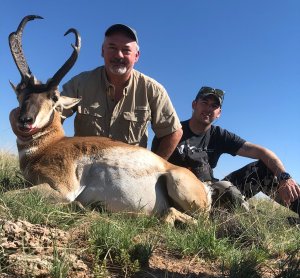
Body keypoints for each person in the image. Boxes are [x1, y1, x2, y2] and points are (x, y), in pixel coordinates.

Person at [152, 86, 300, 217]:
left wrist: (284, 177)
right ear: (194, 104)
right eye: (204, 103)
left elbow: (263, 152)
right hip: (180, 193)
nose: (209, 109)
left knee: (264, 170)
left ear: (219, 113)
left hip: (212, 191)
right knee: (228, 191)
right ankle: (255, 220)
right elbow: (154, 167)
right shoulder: (172, 132)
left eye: (214, 106)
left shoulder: (220, 135)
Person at [60, 24, 182, 160]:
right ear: (102, 51)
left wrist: (154, 167)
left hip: (129, 173)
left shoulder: (153, 90)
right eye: (112, 48)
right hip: (84, 167)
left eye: (126, 50)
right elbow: (52, 115)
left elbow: (174, 132)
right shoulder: (79, 83)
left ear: (136, 56)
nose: (119, 55)